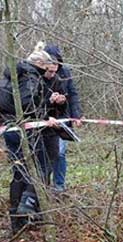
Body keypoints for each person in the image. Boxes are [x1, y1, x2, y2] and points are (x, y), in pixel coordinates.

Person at [0, 42, 66, 234]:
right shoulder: (29, 76)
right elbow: (28, 105)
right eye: (46, 69)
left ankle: (17, 221)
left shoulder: (10, 76)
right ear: (41, 65)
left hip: (9, 127)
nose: (48, 74)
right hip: (26, 130)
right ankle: (26, 206)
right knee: (39, 167)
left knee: (19, 171)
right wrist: (46, 115)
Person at [44, 44, 82, 192]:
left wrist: (76, 114)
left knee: (60, 153)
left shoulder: (65, 72)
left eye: (57, 63)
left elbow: (72, 93)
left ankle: (59, 187)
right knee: (44, 153)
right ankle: (42, 187)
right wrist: (49, 99)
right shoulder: (37, 72)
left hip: (62, 117)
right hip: (43, 118)